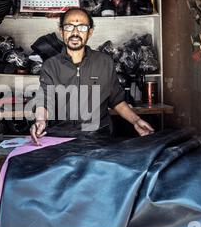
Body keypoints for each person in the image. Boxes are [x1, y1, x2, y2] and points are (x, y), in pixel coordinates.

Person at [30, 8, 154, 146]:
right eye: (69, 26)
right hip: (61, 136)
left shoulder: (104, 62)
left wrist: (136, 121)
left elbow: (116, 100)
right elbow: (45, 100)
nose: (75, 33)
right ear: (61, 31)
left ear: (90, 31)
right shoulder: (50, 65)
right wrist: (40, 121)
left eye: (82, 27)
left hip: (98, 136)